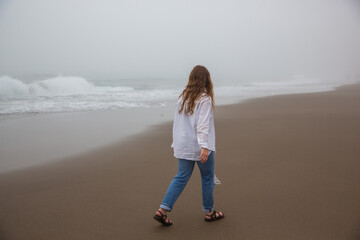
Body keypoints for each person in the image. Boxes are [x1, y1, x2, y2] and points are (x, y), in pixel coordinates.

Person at [153, 65, 224, 226]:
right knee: (207, 178)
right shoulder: (204, 99)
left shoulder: (183, 97)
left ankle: (162, 210)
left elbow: (178, 124)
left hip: (183, 145)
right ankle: (209, 212)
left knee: (181, 177)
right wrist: (204, 147)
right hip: (200, 146)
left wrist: (176, 143)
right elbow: (203, 125)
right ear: (206, 79)